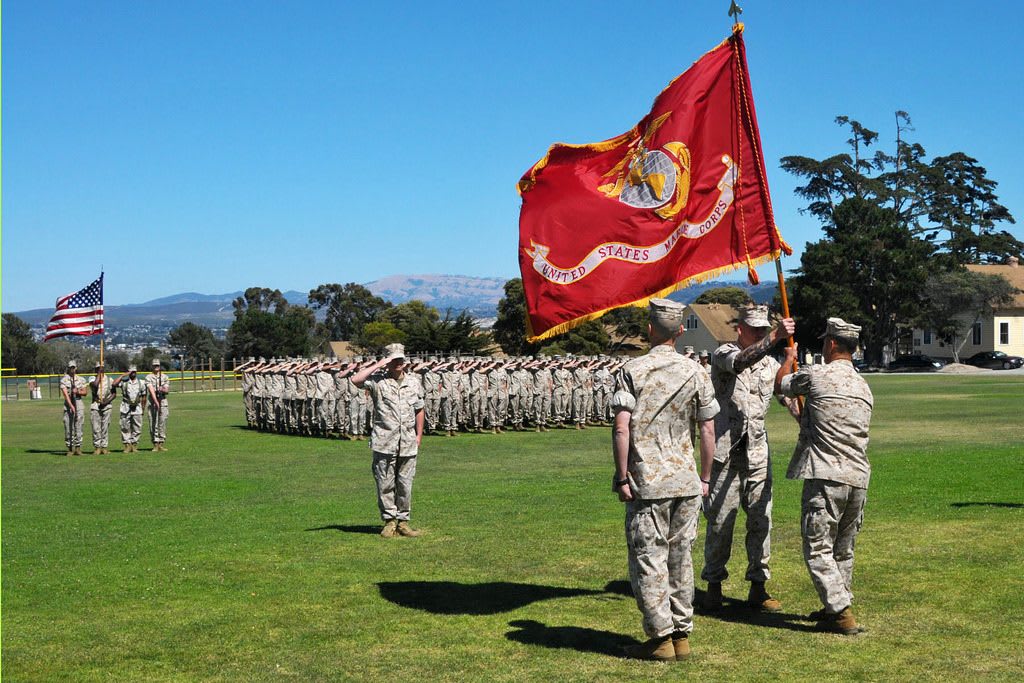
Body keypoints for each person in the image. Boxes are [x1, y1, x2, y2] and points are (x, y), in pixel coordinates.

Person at [611, 299, 719, 662]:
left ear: (651, 329)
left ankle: (660, 638)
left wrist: (622, 475)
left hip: (650, 480)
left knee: (649, 558)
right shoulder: (696, 371)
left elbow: (622, 427)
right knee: (680, 557)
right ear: (680, 331)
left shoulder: (634, 369)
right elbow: (707, 428)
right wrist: (705, 477)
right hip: (685, 479)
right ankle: (681, 635)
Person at [776, 318, 873, 635]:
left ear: (831, 344)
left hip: (826, 474)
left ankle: (841, 611)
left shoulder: (816, 374)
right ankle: (836, 607)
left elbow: (782, 386)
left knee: (817, 547)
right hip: (858, 476)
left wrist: (789, 359)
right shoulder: (863, 386)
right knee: (842, 550)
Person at [701, 305, 796, 612]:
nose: (758, 333)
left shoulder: (769, 365)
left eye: (762, 329)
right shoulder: (723, 354)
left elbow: (785, 395)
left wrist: (801, 416)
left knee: (760, 520)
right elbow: (741, 362)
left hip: (757, 452)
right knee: (720, 522)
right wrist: (775, 336)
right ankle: (714, 585)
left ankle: (758, 585)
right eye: (754, 329)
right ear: (740, 328)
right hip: (725, 452)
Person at [352, 343, 425, 538]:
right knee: (385, 483)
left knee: (405, 484)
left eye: (401, 359)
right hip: (384, 441)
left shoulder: (414, 382)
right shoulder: (377, 381)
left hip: (408, 441)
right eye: (394, 360)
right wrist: (379, 364)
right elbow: (355, 379)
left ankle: (403, 522)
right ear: (387, 361)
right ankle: (389, 521)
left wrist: (419, 435)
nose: (398, 363)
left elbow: (419, 408)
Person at [89, 363, 124, 454]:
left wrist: (106, 402)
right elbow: (95, 386)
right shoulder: (92, 378)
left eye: (100, 368)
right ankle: (97, 447)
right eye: (97, 368)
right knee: (96, 427)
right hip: (96, 405)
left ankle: (104, 447)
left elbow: (114, 394)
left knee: (105, 427)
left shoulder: (110, 379)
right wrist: (99, 376)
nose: (99, 370)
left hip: (107, 406)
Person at [60, 360, 88, 456]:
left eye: (73, 367)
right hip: (68, 404)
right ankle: (70, 449)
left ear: (76, 368)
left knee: (79, 426)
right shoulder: (64, 380)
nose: (72, 369)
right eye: (70, 367)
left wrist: (78, 392)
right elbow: (65, 394)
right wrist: (71, 406)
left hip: (79, 403)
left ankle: (78, 448)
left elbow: (85, 392)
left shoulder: (81, 380)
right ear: (68, 368)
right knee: (68, 426)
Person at [119, 365, 146, 452]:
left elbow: (144, 396)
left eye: (134, 371)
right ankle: (127, 445)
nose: (133, 373)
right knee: (125, 426)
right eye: (131, 372)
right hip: (126, 407)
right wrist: (123, 375)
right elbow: (114, 384)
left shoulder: (141, 383)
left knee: (137, 427)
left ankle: (134, 444)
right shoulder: (124, 382)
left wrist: (143, 408)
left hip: (137, 407)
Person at [146, 359, 171, 451]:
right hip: (153, 402)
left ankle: (161, 442)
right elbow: (151, 390)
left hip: (163, 402)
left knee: (162, 422)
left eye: (157, 365)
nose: (156, 367)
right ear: (152, 366)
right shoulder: (148, 377)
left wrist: (162, 389)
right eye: (154, 365)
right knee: (153, 422)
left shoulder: (164, 377)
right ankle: (155, 443)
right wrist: (156, 402)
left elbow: (167, 390)